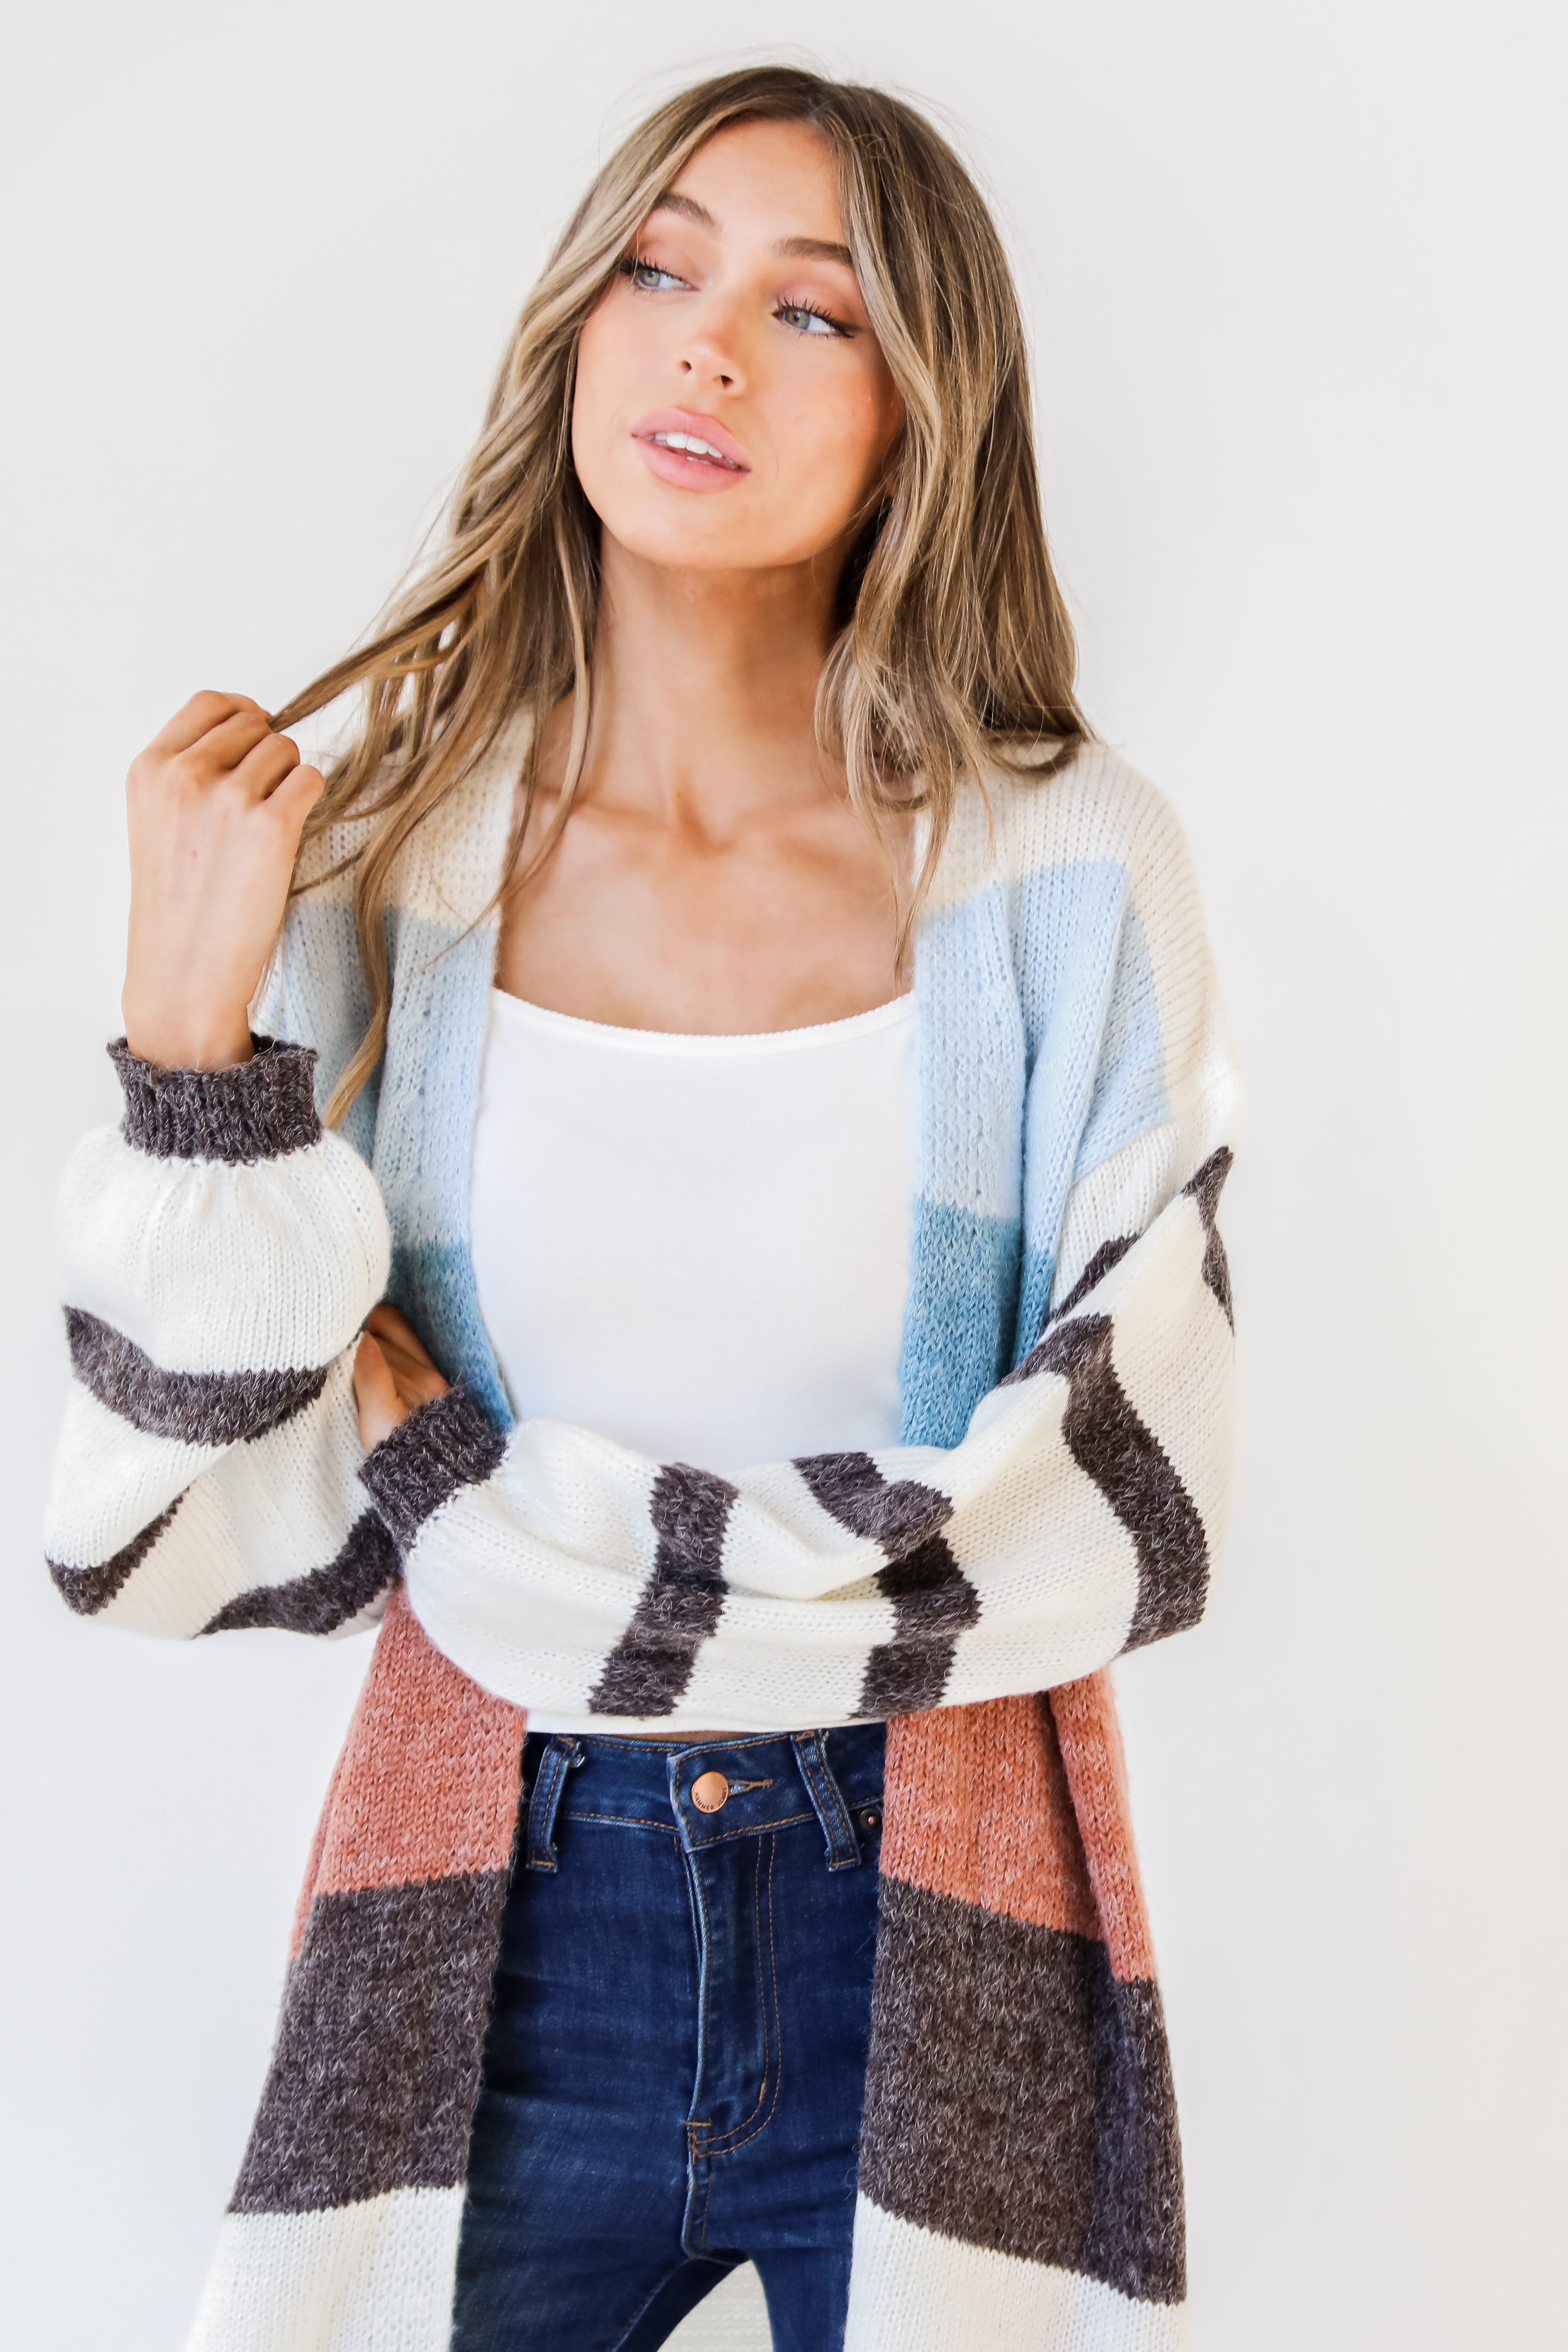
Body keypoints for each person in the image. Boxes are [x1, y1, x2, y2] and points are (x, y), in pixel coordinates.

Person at [44, 64, 1241, 2352]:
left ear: (921, 409)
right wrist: (190, 1052)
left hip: (931, 1890)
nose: (706, 346)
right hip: (499, 1905)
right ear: (576, 329)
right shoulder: (382, 870)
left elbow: (1130, 1492)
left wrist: (481, 1505)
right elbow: (172, 1534)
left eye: (813, 309)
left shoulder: (1069, 868)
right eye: (659, 269)